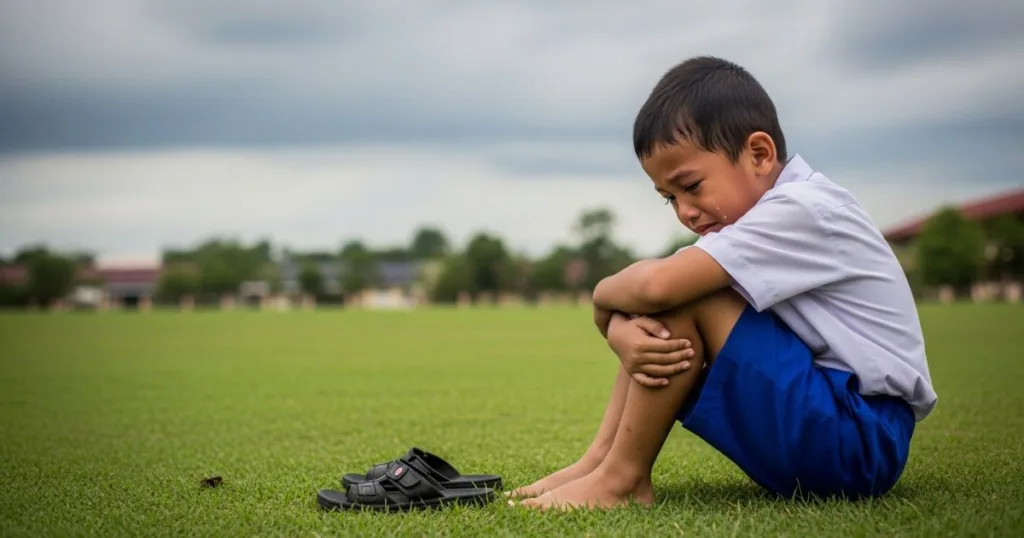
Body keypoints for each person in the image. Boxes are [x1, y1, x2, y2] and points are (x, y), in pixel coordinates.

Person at [508, 56, 937, 510]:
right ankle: (600, 461)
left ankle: (621, 479)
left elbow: (657, 288)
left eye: (691, 185)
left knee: (682, 294)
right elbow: (649, 288)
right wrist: (620, 329)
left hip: (860, 437)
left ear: (759, 154)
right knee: (679, 290)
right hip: (834, 423)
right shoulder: (754, 232)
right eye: (670, 199)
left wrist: (600, 305)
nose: (685, 211)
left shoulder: (805, 209)